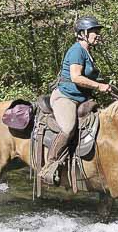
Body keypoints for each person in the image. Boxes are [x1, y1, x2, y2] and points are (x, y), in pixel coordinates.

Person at [40, 15, 111, 184]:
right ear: (83, 33)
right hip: (66, 97)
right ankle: (50, 166)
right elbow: (76, 77)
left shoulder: (87, 52)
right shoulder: (77, 50)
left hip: (82, 99)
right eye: (94, 31)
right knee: (68, 128)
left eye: (98, 31)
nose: (98, 34)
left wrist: (104, 86)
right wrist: (99, 86)